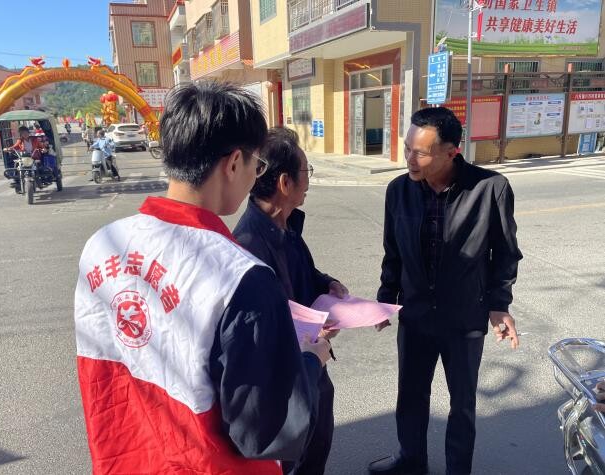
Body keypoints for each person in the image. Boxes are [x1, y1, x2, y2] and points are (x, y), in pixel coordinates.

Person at [74, 81, 332, 474]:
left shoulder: (101, 246)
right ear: (234, 163)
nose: (255, 177)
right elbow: (264, 430)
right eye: (256, 165)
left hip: (124, 459)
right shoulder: (240, 275)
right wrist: (311, 361)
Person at [368, 107, 523, 475]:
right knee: (411, 396)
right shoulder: (398, 190)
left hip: (464, 317)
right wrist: (386, 299)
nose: (410, 159)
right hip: (416, 315)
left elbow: (505, 253)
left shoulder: (490, 188)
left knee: (462, 404)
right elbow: (394, 252)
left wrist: (499, 305)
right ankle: (411, 460)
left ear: (452, 152)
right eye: (407, 148)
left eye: (420, 152)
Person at [233, 127, 348, 475]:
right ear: (285, 183)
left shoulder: (285, 226)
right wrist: (311, 337)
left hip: (313, 363)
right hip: (288, 378)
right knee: (295, 461)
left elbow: (304, 273)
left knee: (317, 445)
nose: (308, 180)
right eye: (305, 171)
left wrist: (327, 283)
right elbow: (260, 332)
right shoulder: (248, 245)